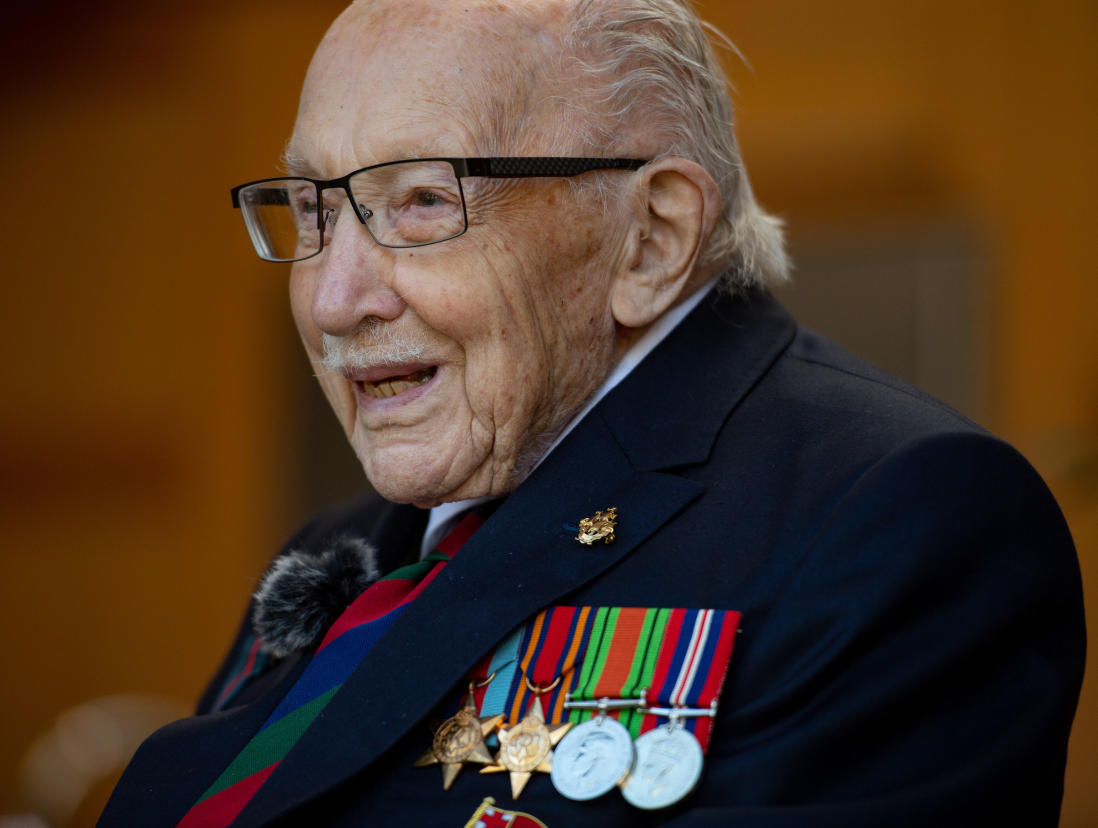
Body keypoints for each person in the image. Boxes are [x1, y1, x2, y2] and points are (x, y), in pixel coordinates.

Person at [100, 0, 1085, 825]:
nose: (331, 299)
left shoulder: (905, 518)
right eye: (314, 208)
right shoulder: (344, 549)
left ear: (651, 239)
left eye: (423, 204)